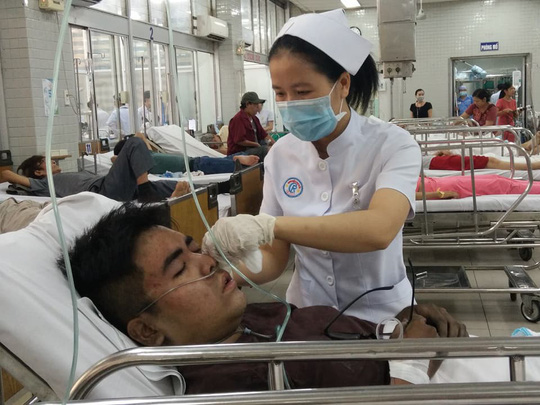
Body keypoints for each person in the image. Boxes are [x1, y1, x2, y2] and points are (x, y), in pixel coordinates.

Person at [64, 202, 470, 394]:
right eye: (180, 267)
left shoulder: (247, 324)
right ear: (146, 331)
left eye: (194, 249)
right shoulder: (232, 386)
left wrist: (398, 327)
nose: (207, 262)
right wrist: (412, 361)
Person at [203, 9, 422, 323]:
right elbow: (274, 257)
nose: (290, 103)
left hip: (382, 316)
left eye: (303, 92)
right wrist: (224, 272)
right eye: (280, 93)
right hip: (308, 316)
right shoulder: (281, 155)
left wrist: (268, 226)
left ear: (342, 84)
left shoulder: (392, 144)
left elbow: (379, 229)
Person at [0, 137, 189, 202]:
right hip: (104, 191)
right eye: (45, 161)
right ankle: (147, 193)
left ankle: (175, 196)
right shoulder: (42, 183)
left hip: (114, 186)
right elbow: (6, 174)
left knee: (179, 187)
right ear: (39, 172)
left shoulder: (63, 176)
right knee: (134, 142)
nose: (52, 160)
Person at [113, 135, 259, 175]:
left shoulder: (147, 155)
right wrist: (122, 156)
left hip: (194, 163)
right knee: (226, 164)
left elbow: (139, 135)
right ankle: (236, 160)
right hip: (192, 166)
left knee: (222, 162)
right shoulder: (140, 165)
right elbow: (115, 161)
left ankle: (237, 158)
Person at [227, 92, 275, 161]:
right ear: (247, 104)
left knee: (272, 149)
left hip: (252, 150)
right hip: (240, 153)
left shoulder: (255, 119)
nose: (257, 108)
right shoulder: (238, 119)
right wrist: (255, 144)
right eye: (256, 105)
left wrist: (275, 145)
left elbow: (264, 134)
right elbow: (239, 140)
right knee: (266, 150)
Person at [416, 174, 540, 200]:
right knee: (501, 186)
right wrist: (441, 194)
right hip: (450, 188)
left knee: (498, 179)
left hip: (446, 181)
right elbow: (413, 196)